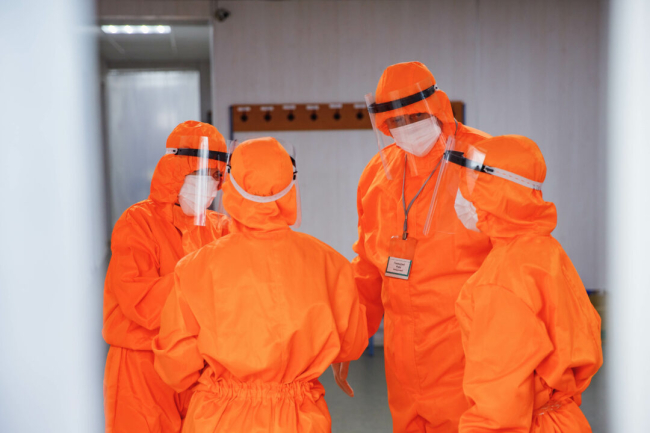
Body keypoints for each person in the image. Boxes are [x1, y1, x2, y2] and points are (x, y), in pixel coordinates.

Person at [152, 137, 369, 433]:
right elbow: (352, 344)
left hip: (219, 417)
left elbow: (176, 366)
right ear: (290, 188)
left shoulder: (196, 267)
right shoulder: (330, 263)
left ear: (230, 186)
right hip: (299, 418)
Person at [334, 61, 493, 432]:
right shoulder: (378, 174)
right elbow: (368, 266)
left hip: (470, 351)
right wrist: (349, 339)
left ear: (437, 106)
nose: (406, 127)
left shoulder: (483, 161)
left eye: (415, 116)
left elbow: (520, 251)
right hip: (402, 357)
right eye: (395, 121)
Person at [452, 135, 603, 431]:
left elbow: (499, 406)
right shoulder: (544, 248)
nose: (462, 195)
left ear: (496, 192)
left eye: (471, 184)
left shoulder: (500, 279)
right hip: (564, 419)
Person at [102, 120, 231, 433]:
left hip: (200, 368)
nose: (209, 184)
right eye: (200, 173)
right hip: (142, 369)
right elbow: (141, 303)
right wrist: (204, 282)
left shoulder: (221, 228)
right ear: (174, 170)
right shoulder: (137, 222)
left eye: (216, 175)